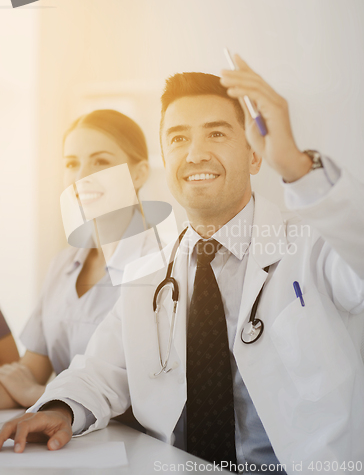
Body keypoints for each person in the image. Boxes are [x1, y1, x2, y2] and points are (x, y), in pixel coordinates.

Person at [1, 58, 363, 475]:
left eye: (216, 132)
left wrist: (298, 167)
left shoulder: (315, 244)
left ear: (255, 155)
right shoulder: (151, 271)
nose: (195, 153)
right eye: (177, 138)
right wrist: (61, 408)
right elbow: (101, 370)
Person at [0, 109, 155, 412]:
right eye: (72, 163)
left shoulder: (160, 266)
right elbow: (29, 371)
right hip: (70, 444)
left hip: (136, 450)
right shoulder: (62, 265)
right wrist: (30, 390)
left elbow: (150, 400)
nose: (82, 176)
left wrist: (38, 395)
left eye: (101, 161)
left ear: (139, 173)